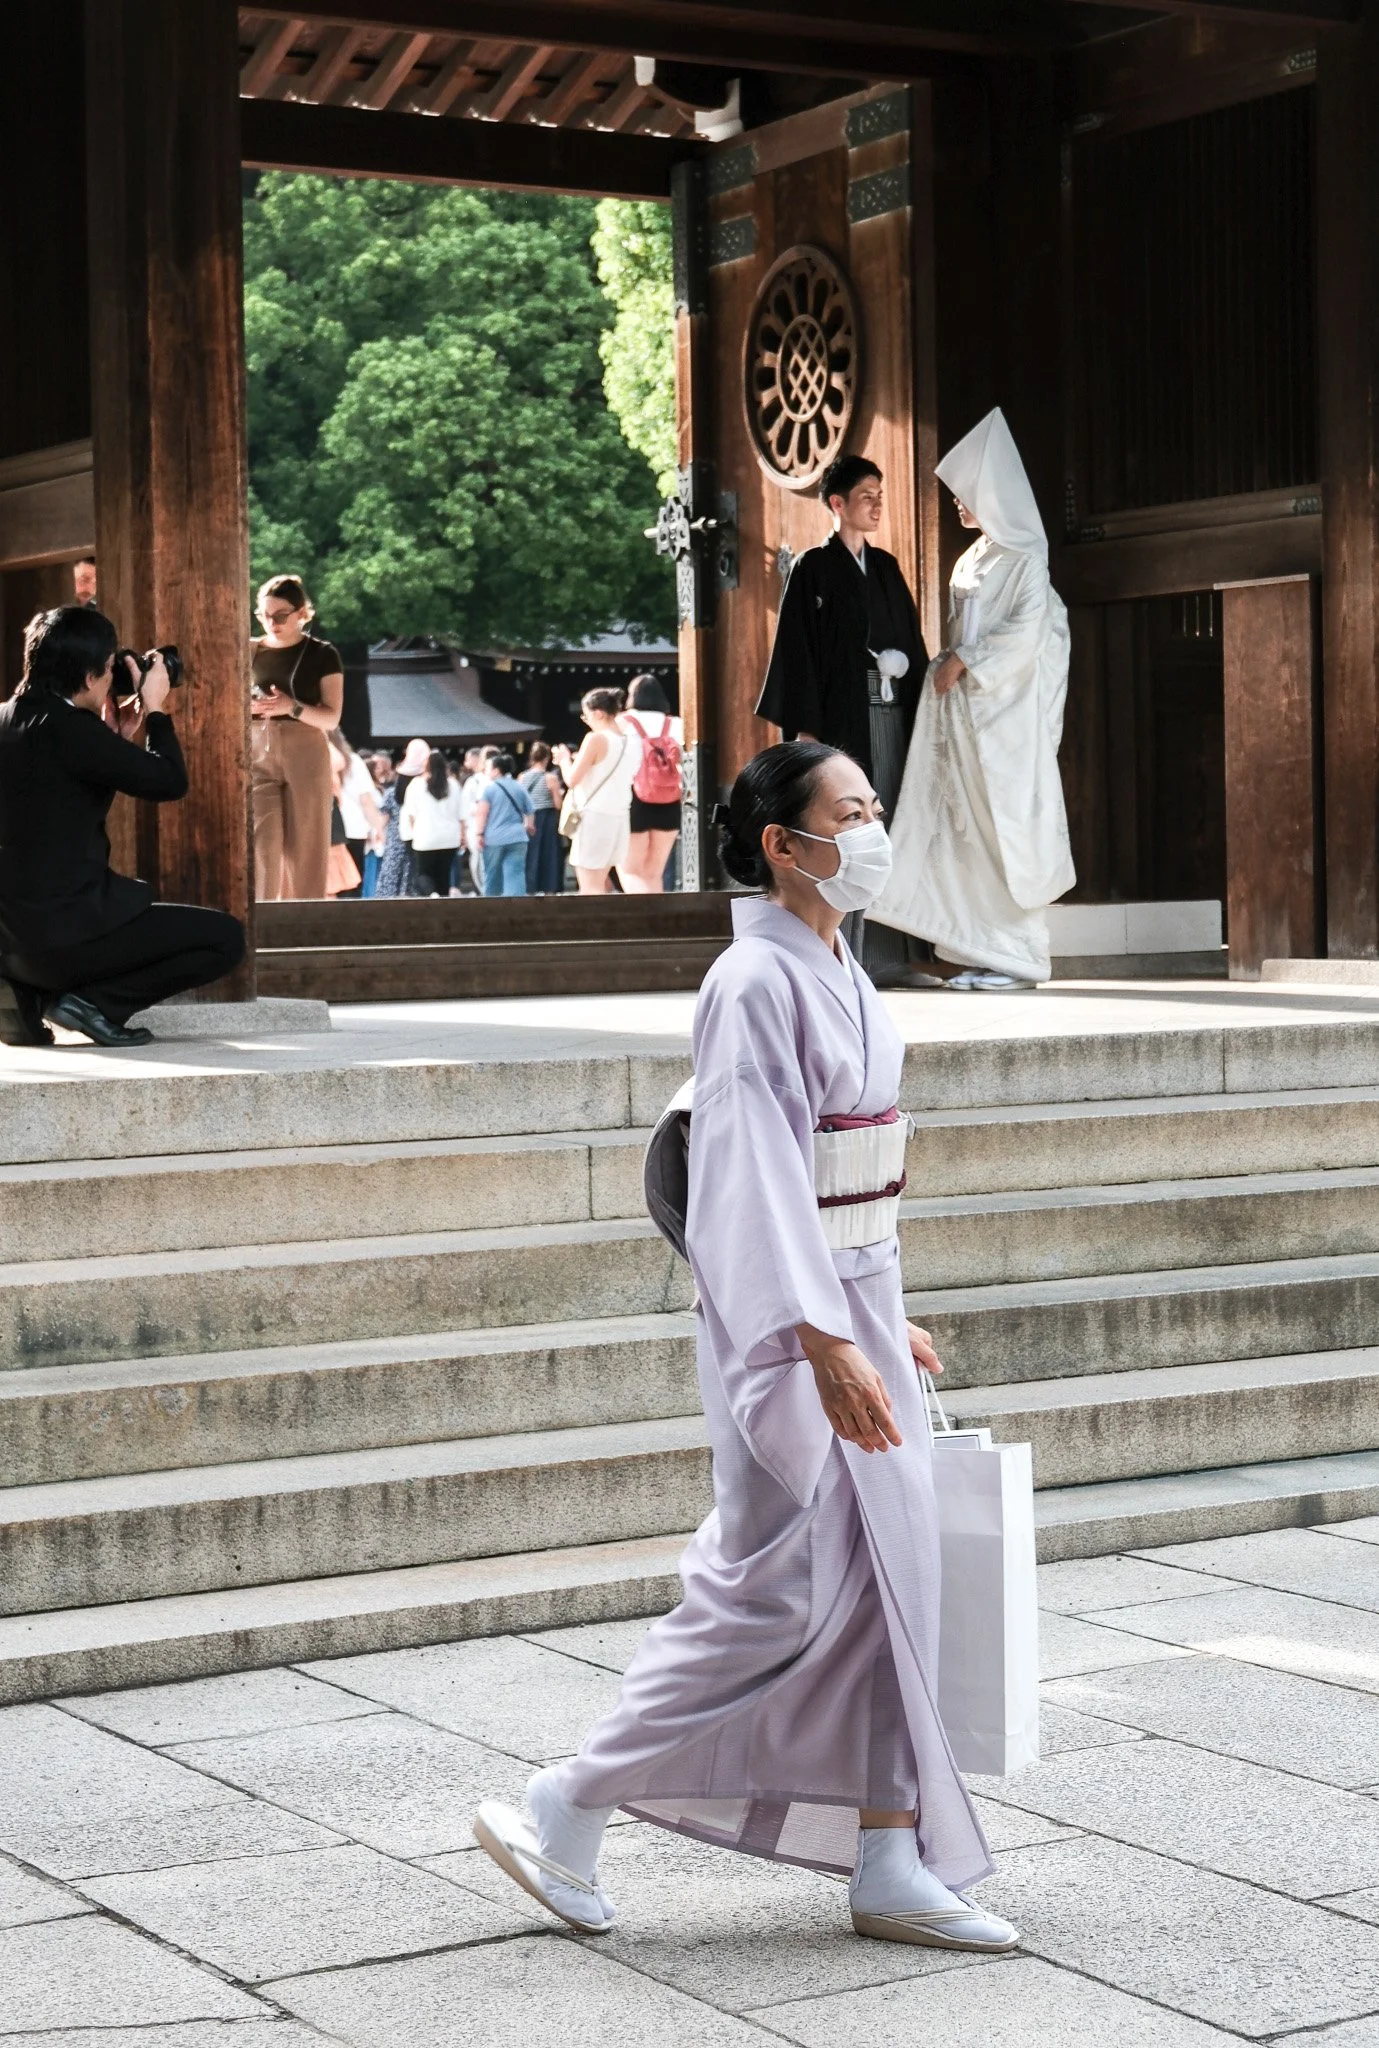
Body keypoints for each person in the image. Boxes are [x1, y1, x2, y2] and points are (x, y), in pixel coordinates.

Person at [472, 740, 1017, 1955]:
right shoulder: (752, 979)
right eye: (850, 811)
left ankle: (889, 1848)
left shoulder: (839, 963)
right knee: (770, 1585)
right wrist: (819, 1333)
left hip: (853, 1295)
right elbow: (752, 1172)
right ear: (783, 841)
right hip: (793, 1326)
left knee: (894, 1575)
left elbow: (852, 1171)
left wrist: (881, 1314)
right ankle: (567, 1801)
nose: (870, 828)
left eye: (874, 807)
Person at [871, 408, 1075, 990]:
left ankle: (1021, 955)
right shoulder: (972, 557)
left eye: (966, 495)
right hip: (964, 713)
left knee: (1002, 826)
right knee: (962, 829)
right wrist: (951, 661)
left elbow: (1026, 635)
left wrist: (966, 661)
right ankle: (978, 945)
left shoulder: (1027, 561)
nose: (957, 505)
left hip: (1003, 717)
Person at [0, 607, 244, 1047]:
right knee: (225, 939)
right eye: (111, 667)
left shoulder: (7, 719)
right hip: (68, 937)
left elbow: (55, 789)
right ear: (92, 676)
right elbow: (170, 782)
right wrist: (154, 710)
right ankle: (96, 1004)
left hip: (12, 943)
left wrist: (112, 739)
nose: (115, 677)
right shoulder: (74, 731)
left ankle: (23, 996)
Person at [756, 454, 928, 980]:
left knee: (894, 822)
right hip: (841, 722)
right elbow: (799, 652)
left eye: (880, 496)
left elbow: (911, 644)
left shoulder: (886, 568)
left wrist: (904, 668)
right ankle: (847, 955)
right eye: (866, 496)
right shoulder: (814, 567)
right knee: (848, 831)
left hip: (891, 714)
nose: (877, 506)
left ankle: (899, 955)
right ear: (838, 503)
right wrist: (808, 734)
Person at [250, 575, 344, 901]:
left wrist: (292, 707)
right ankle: (262, 925)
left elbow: (332, 716)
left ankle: (303, 927)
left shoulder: (322, 653)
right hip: (257, 747)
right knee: (262, 846)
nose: (271, 623)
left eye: (280, 615)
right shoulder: (248, 650)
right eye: (263, 615)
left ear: (301, 613)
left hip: (305, 747)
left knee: (306, 848)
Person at [554, 688, 635, 895]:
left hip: (594, 818)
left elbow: (572, 779)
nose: (585, 720)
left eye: (586, 715)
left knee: (590, 888)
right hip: (619, 817)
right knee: (602, 884)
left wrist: (564, 759)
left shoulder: (595, 739)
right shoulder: (629, 741)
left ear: (598, 713)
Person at [618, 675, 683, 894]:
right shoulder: (676, 724)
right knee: (654, 873)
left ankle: (640, 923)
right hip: (670, 799)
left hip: (635, 799)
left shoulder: (624, 723)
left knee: (630, 871)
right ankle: (658, 926)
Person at [402, 749, 464, 897]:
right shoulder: (454, 785)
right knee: (444, 875)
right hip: (449, 837)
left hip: (425, 836)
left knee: (422, 873)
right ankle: (442, 902)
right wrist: (463, 835)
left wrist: (413, 832)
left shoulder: (416, 785)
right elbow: (461, 814)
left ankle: (431, 894)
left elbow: (410, 814)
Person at [329, 731, 383, 900]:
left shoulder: (317, 758)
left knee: (331, 882)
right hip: (355, 829)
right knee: (353, 882)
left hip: (330, 829)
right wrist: (378, 827)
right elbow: (366, 800)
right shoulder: (354, 761)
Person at [472, 751, 534, 897]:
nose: (486, 770)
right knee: (516, 874)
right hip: (518, 837)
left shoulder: (490, 789)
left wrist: (479, 834)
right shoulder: (519, 786)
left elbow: (482, 813)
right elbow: (530, 810)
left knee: (492, 875)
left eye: (488, 767)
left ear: (496, 770)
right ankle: (516, 907)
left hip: (494, 838)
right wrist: (529, 826)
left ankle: (492, 908)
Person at [376, 738, 428, 899]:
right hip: (419, 841)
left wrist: (382, 838)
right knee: (412, 881)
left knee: (390, 882)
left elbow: (382, 821)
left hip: (394, 842)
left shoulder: (392, 793)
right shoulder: (424, 792)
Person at [520, 742, 565, 895]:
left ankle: (530, 888)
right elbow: (558, 804)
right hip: (547, 818)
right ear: (546, 758)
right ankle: (549, 887)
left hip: (528, 818)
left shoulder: (522, 777)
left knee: (531, 854)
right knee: (549, 854)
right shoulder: (550, 778)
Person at [459, 746, 494, 894]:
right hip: (479, 829)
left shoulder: (479, 782)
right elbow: (467, 808)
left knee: (483, 866)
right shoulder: (475, 781)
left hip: (485, 830)